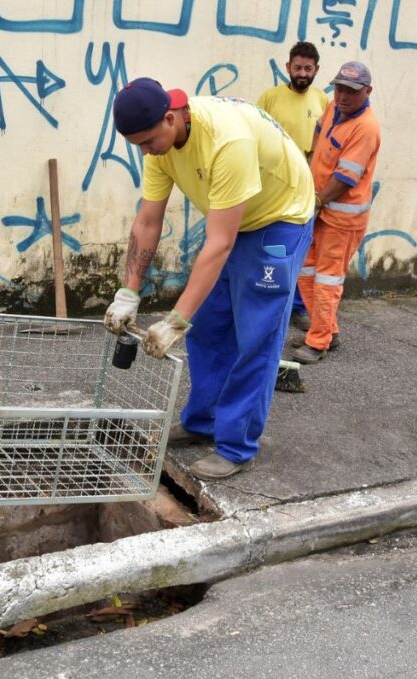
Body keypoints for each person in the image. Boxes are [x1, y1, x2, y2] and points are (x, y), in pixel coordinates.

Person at [104, 78, 315, 480]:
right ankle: (203, 421)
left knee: (256, 333)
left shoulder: (225, 141)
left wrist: (173, 320)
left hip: (279, 217)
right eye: (138, 146)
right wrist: (128, 290)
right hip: (237, 216)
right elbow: (148, 222)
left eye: (148, 141)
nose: (145, 151)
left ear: (171, 117)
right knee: (208, 325)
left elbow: (219, 244)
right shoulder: (159, 144)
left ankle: (236, 446)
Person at [292, 61, 381, 364]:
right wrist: (312, 157)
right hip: (319, 207)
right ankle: (327, 329)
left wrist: (316, 202)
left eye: (351, 92)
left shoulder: (365, 127)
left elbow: (346, 178)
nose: (343, 96)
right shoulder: (334, 107)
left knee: (327, 279)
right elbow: (320, 127)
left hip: (341, 218)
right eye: (339, 88)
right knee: (305, 271)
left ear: (367, 92)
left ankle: (318, 342)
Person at [256, 41, 329, 333]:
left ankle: (298, 308)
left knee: (300, 248)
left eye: (308, 68)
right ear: (288, 67)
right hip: (273, 185)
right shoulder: (270, 98)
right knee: (269, 246)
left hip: (307, 187)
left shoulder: (323, 100)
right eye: (297, 67)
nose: (302, 73)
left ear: (316, 70)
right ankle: (265, 302)